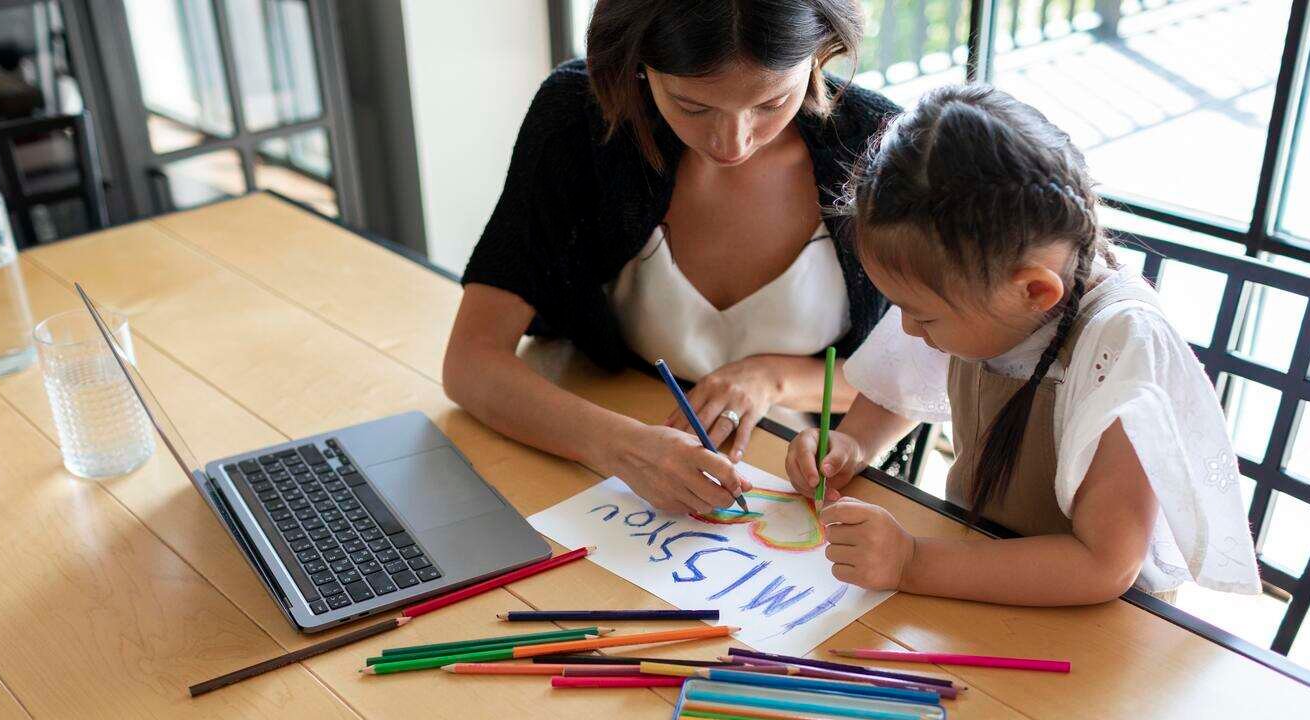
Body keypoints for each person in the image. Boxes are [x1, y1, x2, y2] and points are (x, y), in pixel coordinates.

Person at [785, 84, 1261, 605]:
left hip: (1099, 620)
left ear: (1035, 292)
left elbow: (1104, 565)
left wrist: (913, 562)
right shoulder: (978, 297)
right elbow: (895, 386)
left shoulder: (1121, 347)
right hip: (977, 571)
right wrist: (852, 444)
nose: (909, 330)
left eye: (922, 315)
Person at [443, 0, 897, 516]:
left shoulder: (878, 143)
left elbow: (924, 372)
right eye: (693, 107)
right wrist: (622, 448)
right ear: (640, 62)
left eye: (772, 102)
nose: (733, 143)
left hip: (803, 482)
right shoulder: (579, 117)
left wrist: (772, 378)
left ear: (820, 54)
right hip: (596, 454)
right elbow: (471, 362)